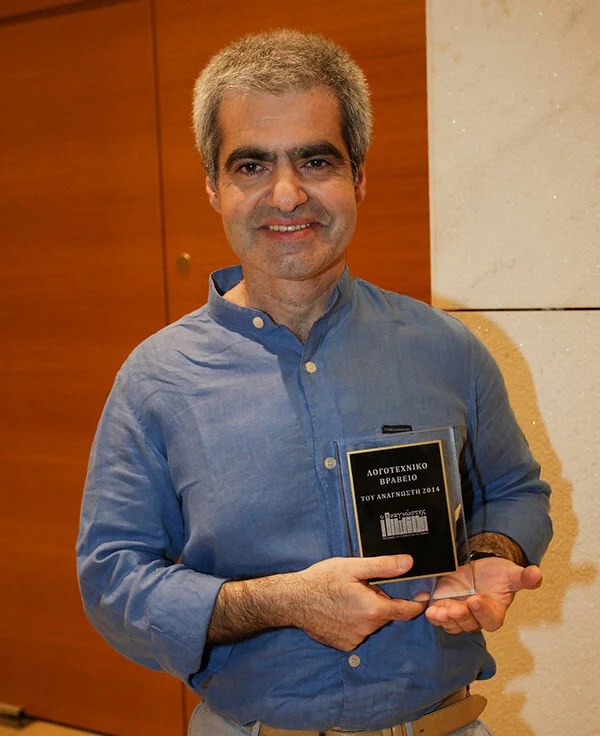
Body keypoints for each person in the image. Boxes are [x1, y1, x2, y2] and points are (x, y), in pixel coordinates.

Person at [77, 29, 552, 736]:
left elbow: (515, 492)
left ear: (358, 178)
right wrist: (281, 602)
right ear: (213, 186)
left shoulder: (446, 348)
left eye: (316, 160)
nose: (287, 194)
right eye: (251, 165)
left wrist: (492, 555)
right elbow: (114, 581)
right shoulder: (156, 380)